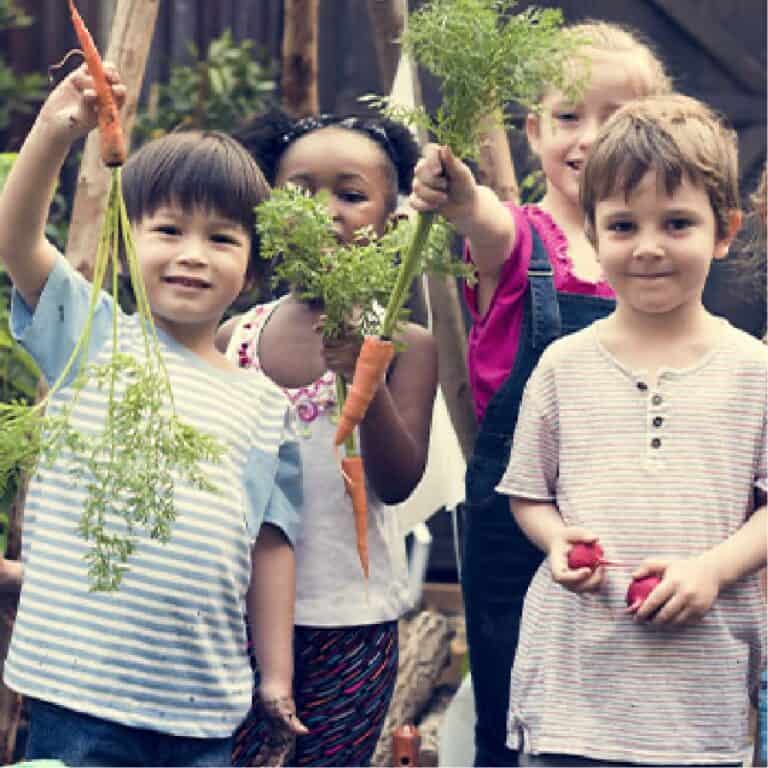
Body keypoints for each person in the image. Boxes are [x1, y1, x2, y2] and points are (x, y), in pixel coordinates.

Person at [0, 64, 306, 766]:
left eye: (222, 239)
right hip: (81, 692)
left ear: (252, 271)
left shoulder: (265, 405)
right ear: (129, 239)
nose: (193, 256)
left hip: (202, 703)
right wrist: (54, 132)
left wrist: (277, 677)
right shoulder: (92, 334)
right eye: (168, 230)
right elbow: (16, 240)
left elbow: (271, 544)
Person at [410, 20, 672, 766]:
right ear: (532, 130)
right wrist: (461, 194)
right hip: (516, 511)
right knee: (512, 708)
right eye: (568, 117)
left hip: (632, 509)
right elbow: (485, 225)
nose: (589, 137)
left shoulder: (655, 253)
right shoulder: (524, 236)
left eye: (617, 118)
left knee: (622, 705)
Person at [497, 93, 766, 766]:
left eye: (677, 223)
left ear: (725, 230)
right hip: (572, 699)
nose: (648, 248)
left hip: (696, 707)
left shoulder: (754, 371)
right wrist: (558, 541)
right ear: (593, 232)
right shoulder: (563, 366)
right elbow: (529, 494)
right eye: (623, 226)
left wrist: (712, 569)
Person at [217, 110, 438, 766]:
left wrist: (360, 378)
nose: (326, 212)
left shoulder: (407, 344)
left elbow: (398, 481)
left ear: (392, 223)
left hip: (354, 621)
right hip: (238, 617)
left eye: (350, 194)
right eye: (300, 193)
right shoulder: (235, 339)